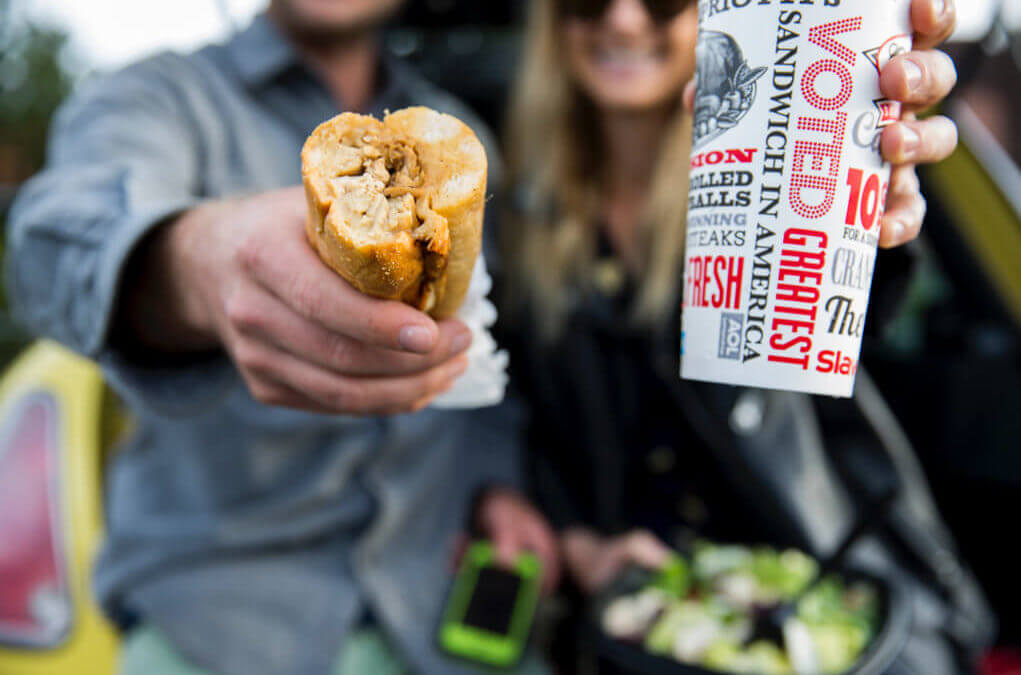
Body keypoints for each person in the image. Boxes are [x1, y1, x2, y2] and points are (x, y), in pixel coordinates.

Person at [5, 1, 557, 674]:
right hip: (214, 628)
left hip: (442, 619)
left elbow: (488, 350)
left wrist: (497, 483)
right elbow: (52, 245)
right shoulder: (156, 98)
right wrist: (194, 262)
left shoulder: (462, 132)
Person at [476, 0, 995, 672]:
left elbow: (863, 314)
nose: (623, 21)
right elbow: (524, 415)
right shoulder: (515, 206)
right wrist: (577, 541)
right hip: (641, 627)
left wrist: (869, 188)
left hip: (819, 593)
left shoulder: (775, 178)